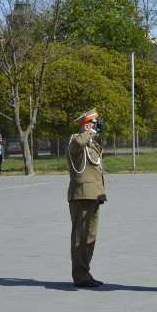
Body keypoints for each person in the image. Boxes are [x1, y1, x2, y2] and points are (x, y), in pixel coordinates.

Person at [67, 108, 106, 289]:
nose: (97, 126)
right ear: (87, 125)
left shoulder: (91, 145)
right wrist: (91, 131)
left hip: (94, 195)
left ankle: (85, 273)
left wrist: (92, 136)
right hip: (81, 195)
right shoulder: (75, 141)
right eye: (94, 123)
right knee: (80, 237)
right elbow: (77, 145)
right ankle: (80, 275)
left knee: (90, 237)